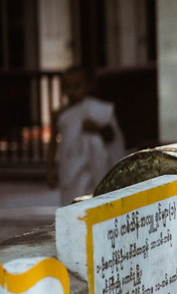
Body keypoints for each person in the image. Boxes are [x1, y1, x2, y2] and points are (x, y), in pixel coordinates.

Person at [47, 66, 125, 205]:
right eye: (68, 87)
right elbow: (53, 143)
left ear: (88, 86)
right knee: (71, 203)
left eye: (77, 86)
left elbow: (112, 137)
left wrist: (97, 129)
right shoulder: (60, 114)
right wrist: (50, 169)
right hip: (70, 166)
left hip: (96, 167)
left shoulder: (98, 109)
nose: (72, 91)